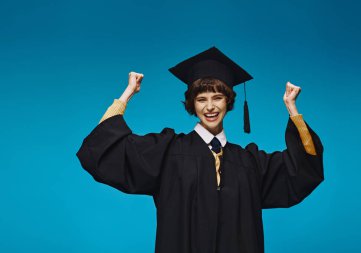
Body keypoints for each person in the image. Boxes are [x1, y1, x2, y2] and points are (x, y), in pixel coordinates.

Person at [76, 47, 324, 253]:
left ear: (228, 101)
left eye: (217, 97)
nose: (210, 107)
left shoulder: (249, 162)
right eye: (201, 99)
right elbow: (105, 147)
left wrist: (292, 108)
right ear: (192, 105)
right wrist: (127, 94)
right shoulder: (168, 151)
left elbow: (302, 169)